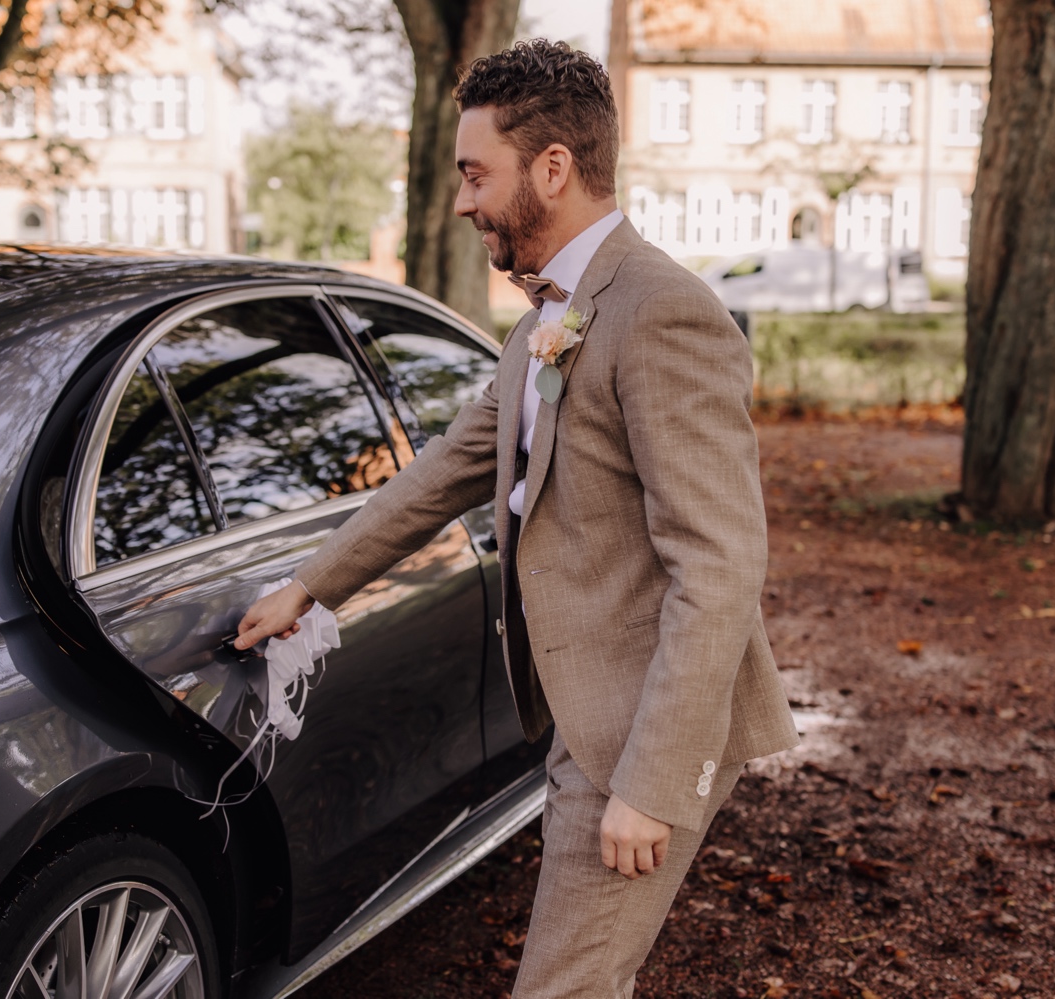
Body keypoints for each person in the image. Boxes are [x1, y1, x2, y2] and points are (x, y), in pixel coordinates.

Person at [235, 39, 798, 998]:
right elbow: (444, 471)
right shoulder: (547, 315)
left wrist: (652, 784)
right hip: (583, 704)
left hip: (641, 722)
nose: (461, 201)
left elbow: (720, 565)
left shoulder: (662, 311)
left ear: (552, 167)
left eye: (474, 174)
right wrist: (306, 586)